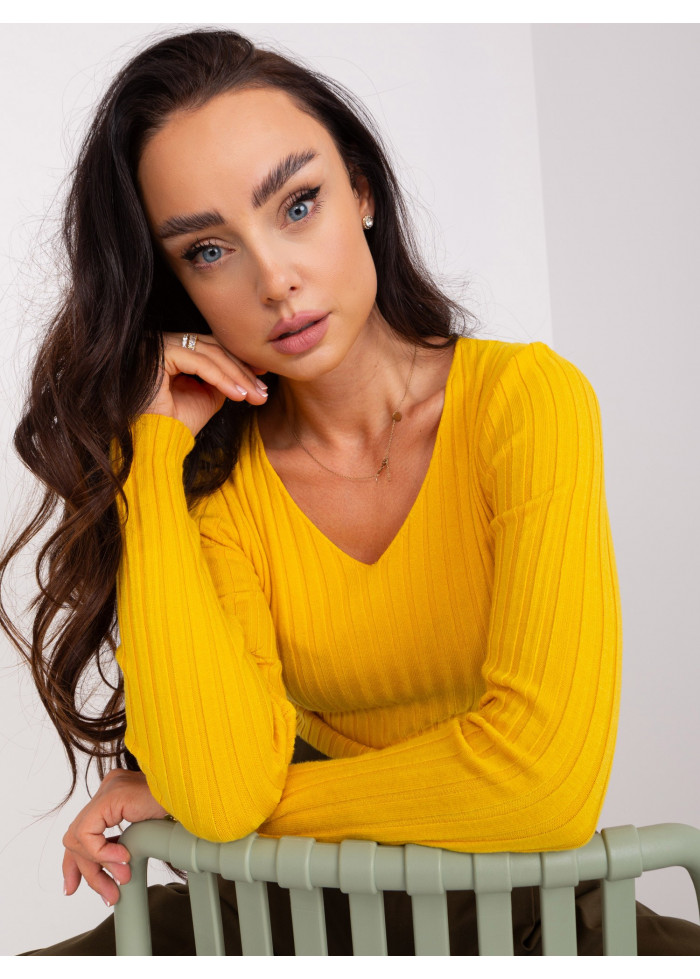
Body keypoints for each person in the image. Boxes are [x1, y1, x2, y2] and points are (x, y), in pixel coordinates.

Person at [3, 27, 698, 956]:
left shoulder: (525, 403)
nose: (275, 279)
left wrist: (254, 810)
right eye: (208, 250)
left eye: (298, 204)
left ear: (362, 190)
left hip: (527, 926)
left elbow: (544, 786)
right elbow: (220, 788)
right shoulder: (215, 486)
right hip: (275, 929)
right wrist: (149, 456)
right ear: (176, 285)